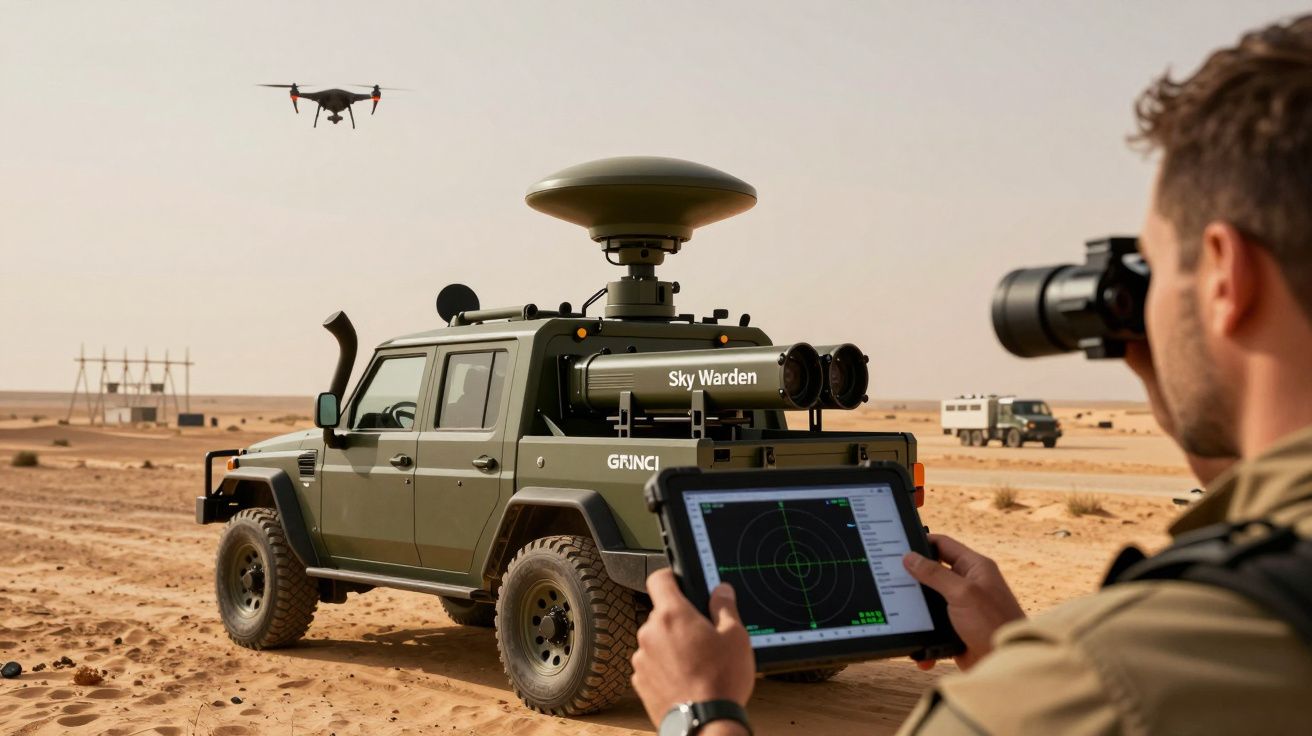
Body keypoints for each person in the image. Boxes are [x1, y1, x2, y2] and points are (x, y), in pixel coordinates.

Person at [630, 14, 1312, 735]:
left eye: (1158, 270)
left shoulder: (1111, 681)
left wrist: (698, 712)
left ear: (1224, 279)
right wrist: (1009, 657)